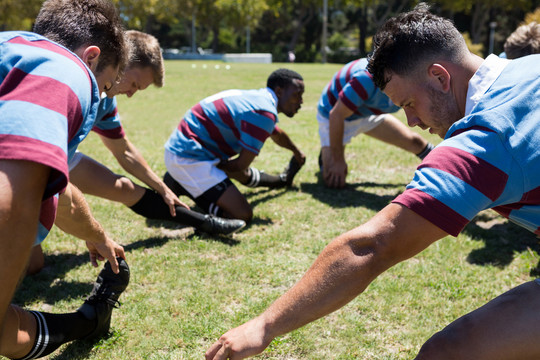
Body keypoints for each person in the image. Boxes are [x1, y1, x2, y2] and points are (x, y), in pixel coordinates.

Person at [205, 4, 540, 359]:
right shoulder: (529, 66)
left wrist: (263, 326)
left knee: (445, 353)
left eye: (410, 103)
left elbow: (372, 246)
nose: (410, 121)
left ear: (441, 78)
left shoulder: (485, 139)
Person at [27, 30, 246, 273]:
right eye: (133, 84)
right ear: (120, 61)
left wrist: (163, 189)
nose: (131, 94)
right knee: (33, 264)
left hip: (57, 157)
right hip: (31, 158)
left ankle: (206, 223)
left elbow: (125, 152)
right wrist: (90, 231)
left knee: (125, 188)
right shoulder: (72, 86)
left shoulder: (106, 99)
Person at [0, 0, 131, 359]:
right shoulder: (64, 70)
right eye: (104, 86)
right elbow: (11, 197)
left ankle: (89, 321)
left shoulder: (10, 49)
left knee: (7, 333)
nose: (100, 96)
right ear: (90, 57)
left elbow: (47, 184)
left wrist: (98, 235)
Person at [163, 68, 306, 223]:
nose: (301, 101)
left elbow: (276, 133)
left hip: (185, 147)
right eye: (296, 95)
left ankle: (280, 181)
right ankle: (182, 184)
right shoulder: (264, 112)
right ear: (279, 91)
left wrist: (296, 151)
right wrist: (220, 168)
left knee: (235, 171)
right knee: (241, 214)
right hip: (188, 157)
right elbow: (240, 165)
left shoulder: (260, 99)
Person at [317, 58, 434, 188]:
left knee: (415, 142)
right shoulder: (366, 79)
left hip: (367, 114)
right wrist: (337, 160)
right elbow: (336, 115)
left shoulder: (410, 80)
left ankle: (443, 167)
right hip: (336, 115)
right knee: (334, 180)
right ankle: (328, 152)